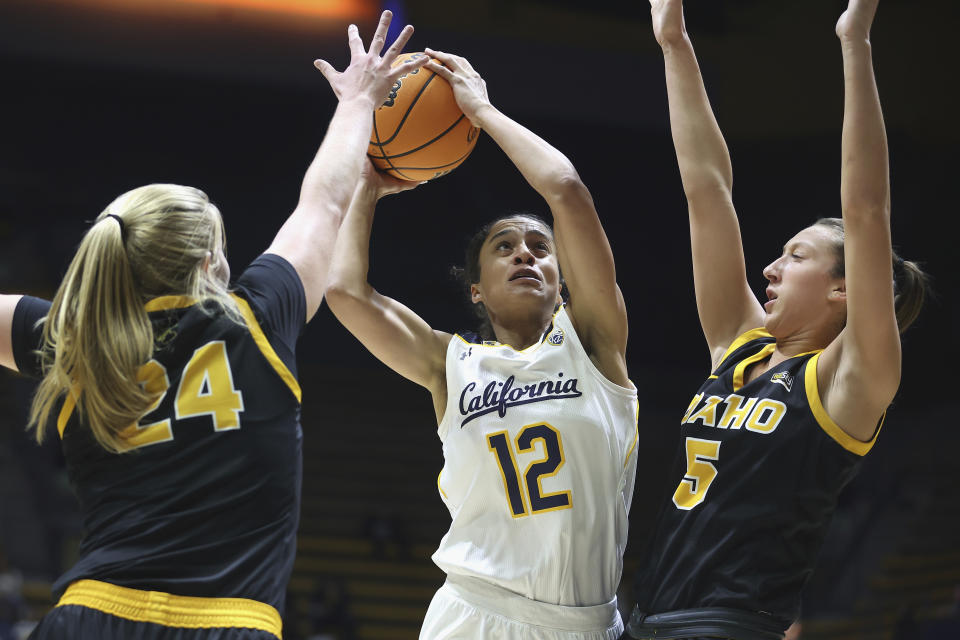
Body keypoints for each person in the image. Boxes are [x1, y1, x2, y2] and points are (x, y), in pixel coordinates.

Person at [0, 11, 426, 639]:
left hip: (87, 617)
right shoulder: (257, 319)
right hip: (222, 623)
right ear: (208, 262)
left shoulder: (75, 341)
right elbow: (324, 200)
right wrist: (358, 99)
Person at [625, 1, 929, 638]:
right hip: (649, 617)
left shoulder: (850, 381)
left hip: (730, 625)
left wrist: (855, 41)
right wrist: (674, 43)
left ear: (845, 289)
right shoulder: (739, 348)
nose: (769, 268)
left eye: (796, 256)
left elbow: (867, 209)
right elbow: (705, 187)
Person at [325, 49, 639, 640]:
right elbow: (344, 291)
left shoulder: (594, 343)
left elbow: (566, 189)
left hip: (587, 624)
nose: (525, 252)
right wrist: (366, 184)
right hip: (474, 616)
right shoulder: (452, 363)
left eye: (540, 247)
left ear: (564, 282)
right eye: (505, 246)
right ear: (476, 290)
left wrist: (482, 111)